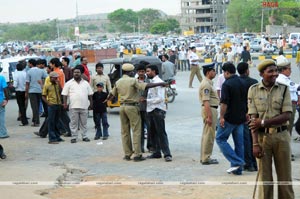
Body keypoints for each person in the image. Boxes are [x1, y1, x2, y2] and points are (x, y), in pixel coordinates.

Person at [248, 59, 294, 199]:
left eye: (276, 71)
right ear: (262, 74)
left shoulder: (284, 88)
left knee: (285, 178)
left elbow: (286, 115)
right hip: (263, 139)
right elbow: (252, 120)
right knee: (265, 179)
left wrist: (262, 122)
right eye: (270, 71)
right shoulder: (253, 90)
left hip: (281, 137)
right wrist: (255, 144)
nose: (275, 74)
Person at [107, 63, 167, 162]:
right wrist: (160, 83)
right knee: (136, 131)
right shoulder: (132, 80)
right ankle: (137, 155)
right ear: (130, 72)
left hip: (122, 107)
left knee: (125, 131)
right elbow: (146, 85)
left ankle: (127, 154)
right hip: (132, 107)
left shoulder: (118, 82)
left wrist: (108, 100)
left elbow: (111, 95)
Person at [216, 62, 247, 175]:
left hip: (229, 118)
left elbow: (224, 103)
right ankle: (238, 170)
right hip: (241, 117)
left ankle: (237, 161)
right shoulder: (243, 82)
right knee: (239, 144)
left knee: (220, 139)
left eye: (224, 72)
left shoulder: (227, 84)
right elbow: (246, 100)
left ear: (227, 72)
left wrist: (222, 117)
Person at [145, 64, 172, 162]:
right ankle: (156, 152)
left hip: (158, 109)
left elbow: (160, 98)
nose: (147, 73)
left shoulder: (159, 82)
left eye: (148, 71)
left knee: (161, 132)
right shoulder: (151, 82)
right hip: (151, 109)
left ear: (154, 71)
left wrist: (147, 101)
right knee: (152, 132)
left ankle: (167, 154)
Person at [276, 55, 299, 161]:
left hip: (291, 105)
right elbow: (297, 87)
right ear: (283, 70)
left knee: (287, 130)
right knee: (287, 130)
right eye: (289, 69)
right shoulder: (282, 79)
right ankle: (285, 153)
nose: (290, 70)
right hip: (288, 106)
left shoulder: (284, 79)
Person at [62, 67, 93, 143]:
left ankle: (84, 136)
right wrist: (65, 103)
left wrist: (91, 104)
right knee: (73, 123)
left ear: (81, 73)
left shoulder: (86, 83)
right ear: (73, 74)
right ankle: (74, 137)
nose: (76, 73)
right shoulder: (68, 83)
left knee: (84, 123)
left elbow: (90, 95)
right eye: (75, 72)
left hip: (84, 106)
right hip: (73, 106)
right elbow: (64, 95)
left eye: (78, 72)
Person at [237, 62, 258, 172]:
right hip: (253, 114)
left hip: (242, 115)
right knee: (254, 139)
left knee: (245, 140)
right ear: (247, 70)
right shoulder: (254, 82)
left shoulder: (236, 82)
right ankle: (254, 164)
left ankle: (248, 163)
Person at [199, 63, 219, 165]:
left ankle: (204, 156)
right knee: (209, 135)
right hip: (210, 109)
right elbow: (206, 101)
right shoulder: (206, 84)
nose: (215, 72)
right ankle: (206, 157)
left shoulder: (209, 83)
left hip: (211, 109)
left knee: (207, 134)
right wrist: (209, 116)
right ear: (208, 72)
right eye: (213, 71)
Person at [42, 72, 64, 144]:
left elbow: (61, 92)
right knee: (51, 122)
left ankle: (57, 136)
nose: (56, 79)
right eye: (55, 78)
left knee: (57, 122)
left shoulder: (57, 84)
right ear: (51, 78)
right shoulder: (47, 85)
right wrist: (48, 103)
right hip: (52, 105)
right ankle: (52, 138)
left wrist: (60, 84)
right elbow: (43, 96)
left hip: (58, 104)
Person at [25, 59, 48, 127]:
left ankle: (36, 121)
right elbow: (47, 78)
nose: (28, 65)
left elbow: (27, 83)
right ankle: (35, 120)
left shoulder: (29, 71)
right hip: (40, 90)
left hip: (32, 91)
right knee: (38, 106)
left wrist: (26, 92)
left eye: (28, 63)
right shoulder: (42, 71)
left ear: (31, 64)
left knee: (34, 107)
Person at [0, 71, 9, 139]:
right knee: (1, 117)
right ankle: (3, 133)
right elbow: (5, 89)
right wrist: (7, 99)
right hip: (0, 99)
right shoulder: (1, 78)